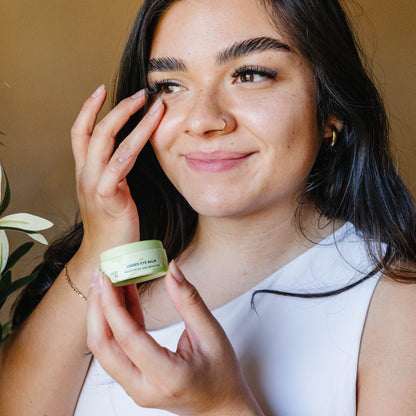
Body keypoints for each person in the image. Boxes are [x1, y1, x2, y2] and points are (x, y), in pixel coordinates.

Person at [1, 0, 416, 414]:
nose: (202, 120)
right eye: (169, 85)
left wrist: (219, 406)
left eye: (249, 75)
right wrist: (101, 243)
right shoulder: (116, 266)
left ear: (332, 108)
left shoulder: (397, 301)